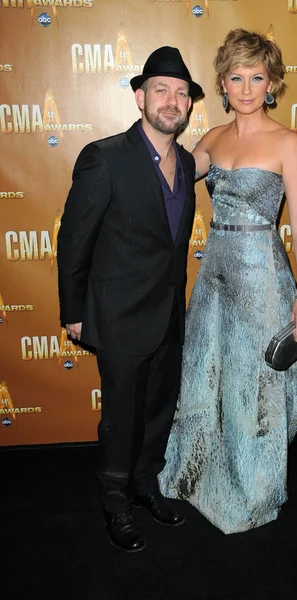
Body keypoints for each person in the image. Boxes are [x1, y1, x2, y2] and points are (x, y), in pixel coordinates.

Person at [159, 29, 297, 534]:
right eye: (235, 77)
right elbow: (170, 178)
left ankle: (254, 489)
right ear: (223, 84)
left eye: (256, 77)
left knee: (256, 386)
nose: (245, 88)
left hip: (262, 276)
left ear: (271, 84)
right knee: (204, 372)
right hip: (214, 279)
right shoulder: (211, 139)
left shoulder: (288, 142)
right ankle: (194, 473)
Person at [57, 46, 203, 552]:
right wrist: (73, 311)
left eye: (182, 93)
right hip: (119, 316)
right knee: (121, 415)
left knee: (159, 410)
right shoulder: (105, 157)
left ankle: (147, 485)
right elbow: (74, 239)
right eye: (161, 89)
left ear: (189, 107)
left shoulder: (186, 162)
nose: (172, 100)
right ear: (140, 97)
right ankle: (115, 501)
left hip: (167, 315)